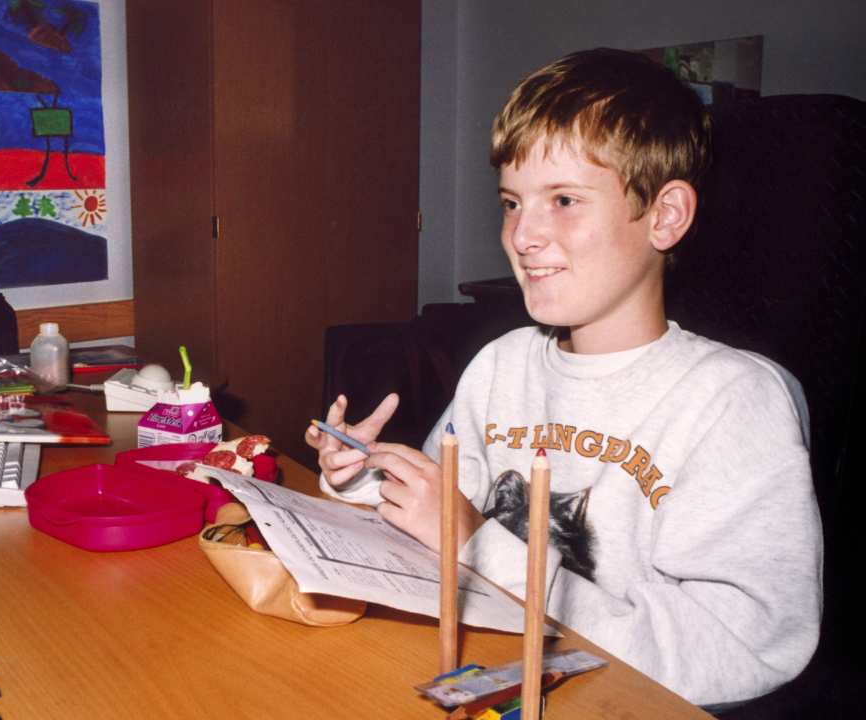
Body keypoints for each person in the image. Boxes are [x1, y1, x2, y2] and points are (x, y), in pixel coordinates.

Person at [306, 47, 821, 710]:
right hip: (495, 667)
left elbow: (743, 650)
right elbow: (439, 515)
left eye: (564, 200)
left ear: (664, 216)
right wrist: (362, 474)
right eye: (512, 202)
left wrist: (475, 542)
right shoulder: (503, 363)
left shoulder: (733, 402)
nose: (522, 235)